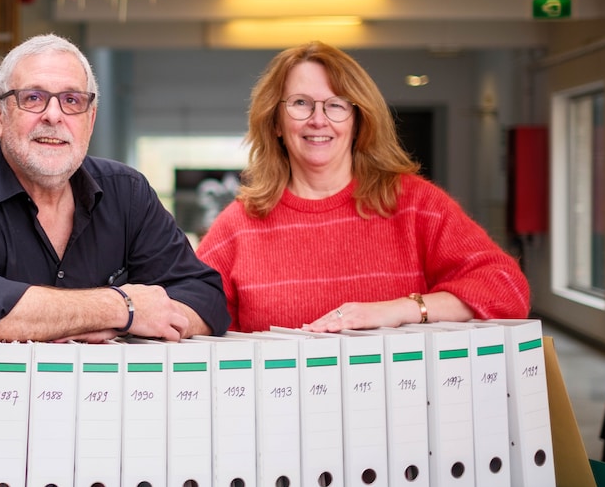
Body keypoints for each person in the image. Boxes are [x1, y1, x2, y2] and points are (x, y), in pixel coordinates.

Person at [0, 33, 230, 482]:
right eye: (33, 98)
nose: (54, 116)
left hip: (78, 448)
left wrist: (62, 317)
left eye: (72, 100)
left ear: (91, 118)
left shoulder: (128, 193)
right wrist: (122, 308)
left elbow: (206, 298)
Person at [196, 41, 530, 334]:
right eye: (300, 103)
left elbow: (507, 288)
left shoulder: (414, 204)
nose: (318, 119)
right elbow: (192, 311)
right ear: (276, 123)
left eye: (337, 105)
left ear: (358, 122)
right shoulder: (239, 226)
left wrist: (398, 311)